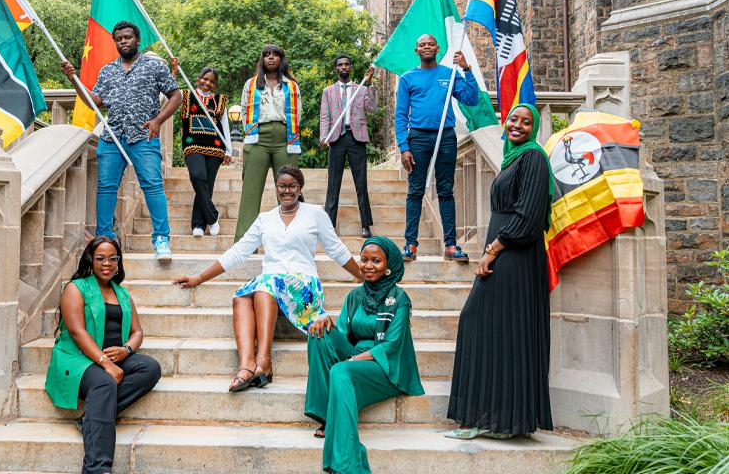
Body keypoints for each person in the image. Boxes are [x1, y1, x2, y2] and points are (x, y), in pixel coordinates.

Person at [173, 166, 362, 392]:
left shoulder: (315, 214)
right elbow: (238, 252)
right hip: (271, 285)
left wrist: (364, 276)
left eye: (292, 186)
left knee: (264, 286)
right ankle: (246, 365)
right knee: (241, 297)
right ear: (276, 187)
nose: (287, 190)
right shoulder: (265, 218)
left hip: (303, 286)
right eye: (282, 186)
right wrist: (199, 278)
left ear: (300, 187)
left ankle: (265, 362)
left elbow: (336, 250)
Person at [445, 104, 554, 440]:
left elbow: (528, 216)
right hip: (506, 251)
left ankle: (498, 418)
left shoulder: (534, 157)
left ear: (533, 128)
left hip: (516, 256)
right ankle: (493, 417)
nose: (517, 125)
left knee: (479, 320)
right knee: (497, 329)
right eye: (513, 120)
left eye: (526, 122)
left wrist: (491, 251)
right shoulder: (513, 157)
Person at [61, 21, 181, 264]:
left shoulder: (153, 67)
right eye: (119, 39)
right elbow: (94, 100)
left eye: (128, 37)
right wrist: (74, 78)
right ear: (115, 42)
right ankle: (105, 238)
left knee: (152, 185)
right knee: (106, 188)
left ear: (137, 40)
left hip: (143, 135)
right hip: (112, 136)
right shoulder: (107, 70)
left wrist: (158, 120)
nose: (123, 41)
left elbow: (176, 95)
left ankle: (161, 240)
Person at [305, 236, 424, 474]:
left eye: (376, 261)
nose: (368, 266)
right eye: (364, 260)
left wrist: (353, 361)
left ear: (389, 265)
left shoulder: (399, 299)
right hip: (355, 358)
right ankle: (326, 414)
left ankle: (349, 464)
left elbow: (391, 346)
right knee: (319, 333)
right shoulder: (355, 296)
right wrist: (327, 322)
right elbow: (344, 337)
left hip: (385, 366)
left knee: (341, 370)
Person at [45, 237, 162, 474]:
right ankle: (97, 469)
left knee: (150, 368)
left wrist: (126, 349)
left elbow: (137, 332)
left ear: (118, 262)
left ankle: (91, 418)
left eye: (112, 258)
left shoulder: (122, 293)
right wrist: (105, 363)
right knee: (105, 383)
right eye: (100, 258)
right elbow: (77, 332)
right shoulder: (75, 288)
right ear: (91, 260)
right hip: (78, 357)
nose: (106, 263)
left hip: (113, 356)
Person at [395, 34, 479, 262]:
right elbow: (401, 116)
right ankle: (411, 245)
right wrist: (404, 146)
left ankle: (451, 246)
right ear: (416, 50)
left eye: (430, 44)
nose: (426, 47)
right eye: (422, 44)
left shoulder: (449, 73)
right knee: (415, 191)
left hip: (446, 137)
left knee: (445, 191)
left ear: (438, 48)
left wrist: (466, 69)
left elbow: (472, 99)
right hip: (418, 138)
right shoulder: (407, 78)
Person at [234, 44, 302, 242]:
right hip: (258, 138)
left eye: (275, 54)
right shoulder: (251, 84)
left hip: (285, 138)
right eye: (266, 55)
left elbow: (298, 113)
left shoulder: (291, 85)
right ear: (262, 60)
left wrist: (292, 137)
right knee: (251, 191)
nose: (271, 58)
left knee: (288, 188)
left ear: (282, 59)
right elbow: (245, 109)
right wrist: (249, 135)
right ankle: (244, 243)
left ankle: (290, 239)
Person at [320, 54, 376, 239]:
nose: (343, 67)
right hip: (336, 139)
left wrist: (368, 84)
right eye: (340, 65)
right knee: (333, 184)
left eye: (346, 64)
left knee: (361, 184)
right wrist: (323, 137)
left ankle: (366, 226)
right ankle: (329, 226)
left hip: (356, 138)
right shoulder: (328, 91)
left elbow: (372, 108)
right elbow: (325, 116)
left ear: (350, 67)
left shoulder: (360, 88)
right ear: (336, 69)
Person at [179, 66, 232, 237]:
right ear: (198, 78)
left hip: (215, 147)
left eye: (211, 81)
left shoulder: (219, 100)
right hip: (192, 144)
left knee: (206, 185)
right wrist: (173, 72)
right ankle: (213, 216)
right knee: (197, 176)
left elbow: (225, 125)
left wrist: (229, 150)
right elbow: (167, 94)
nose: (207, 83)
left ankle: (198, 225)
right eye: (204, 79)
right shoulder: (185, 96)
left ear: (215, 85)